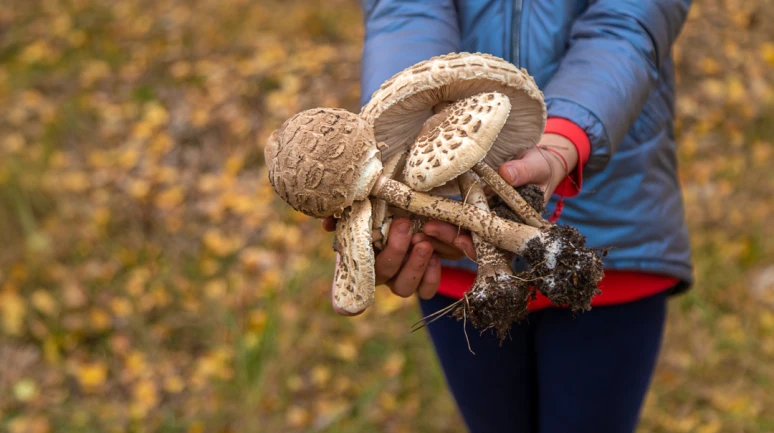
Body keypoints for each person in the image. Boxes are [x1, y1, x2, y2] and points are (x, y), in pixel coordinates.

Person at [325, 1, 694, 431]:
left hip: (616, 218)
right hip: (454, 252)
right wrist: (404, 143)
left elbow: (629, 20)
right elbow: (406, 11)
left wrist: (565, 139)